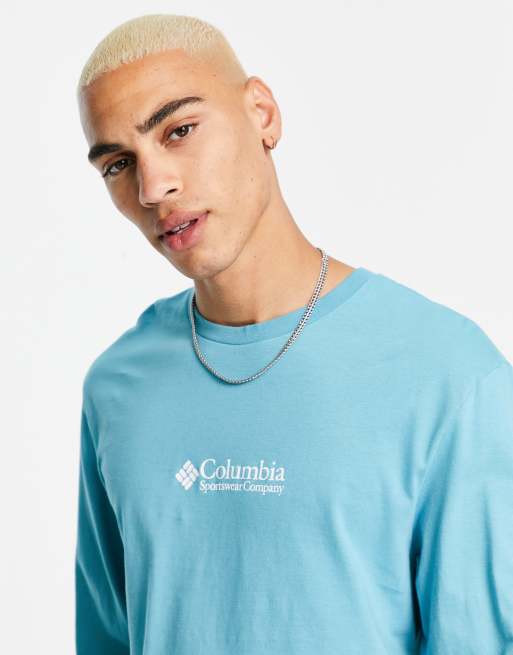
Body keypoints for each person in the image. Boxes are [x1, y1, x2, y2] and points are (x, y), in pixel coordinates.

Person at [74, 13, 513, 655]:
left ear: (262, 113)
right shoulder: (118, 387)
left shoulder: (449, 375)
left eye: (180, 130)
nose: (153, 186)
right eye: (118, 163)